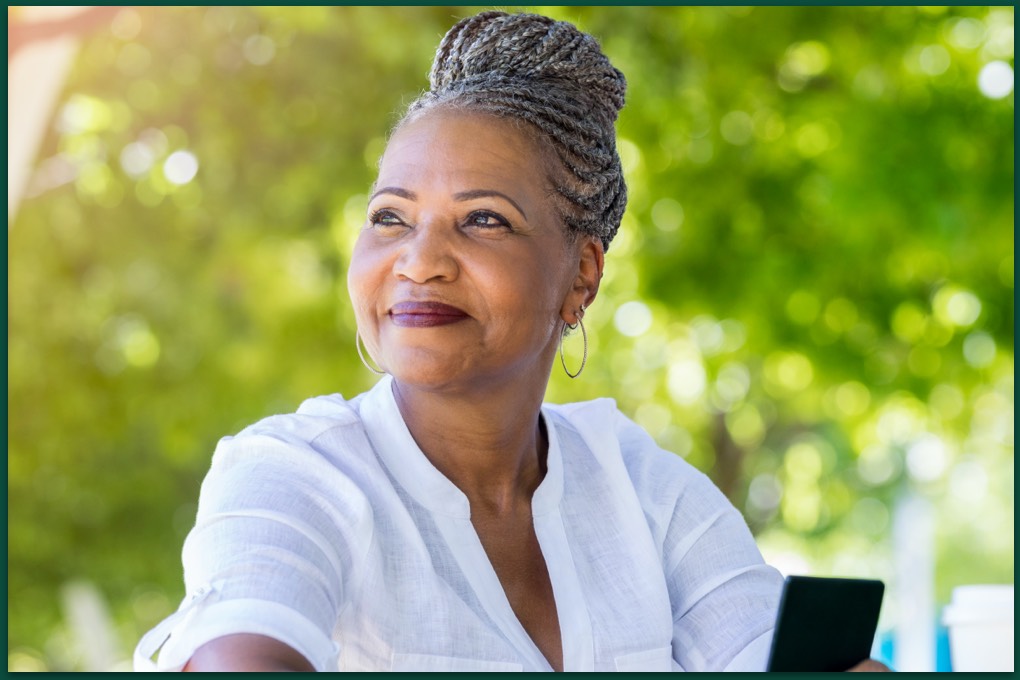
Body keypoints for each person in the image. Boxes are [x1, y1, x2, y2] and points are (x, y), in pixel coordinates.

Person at [135, 11, 885, 672]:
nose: (419, 260)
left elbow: (764, 646)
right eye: (391, 217)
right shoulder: (295, 475)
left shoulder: (642, 491)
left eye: (483, 219)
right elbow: (246, 650)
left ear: (580, 276)